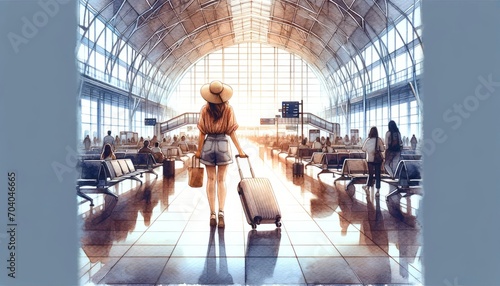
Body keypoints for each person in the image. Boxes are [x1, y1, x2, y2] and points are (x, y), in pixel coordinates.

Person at [195, 80, 246, 228]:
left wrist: (199, 151)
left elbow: (201, 133)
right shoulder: (228, 109)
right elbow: (231, 132)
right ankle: (221, 212)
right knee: (221, 180)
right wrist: (240, 150)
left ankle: (212, 214)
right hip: (223, 144)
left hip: (209, 144)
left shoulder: (204, 110)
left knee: (210, 180)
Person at [361, 127, 385, 196]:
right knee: (378, 175)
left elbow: (363, 149)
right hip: (377, 160)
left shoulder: (368, 140)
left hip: (370, 159)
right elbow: (382, 149)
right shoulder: (379, 140)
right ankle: (377, 191)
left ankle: (367, 188)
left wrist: (369, 149)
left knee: (370, 174)